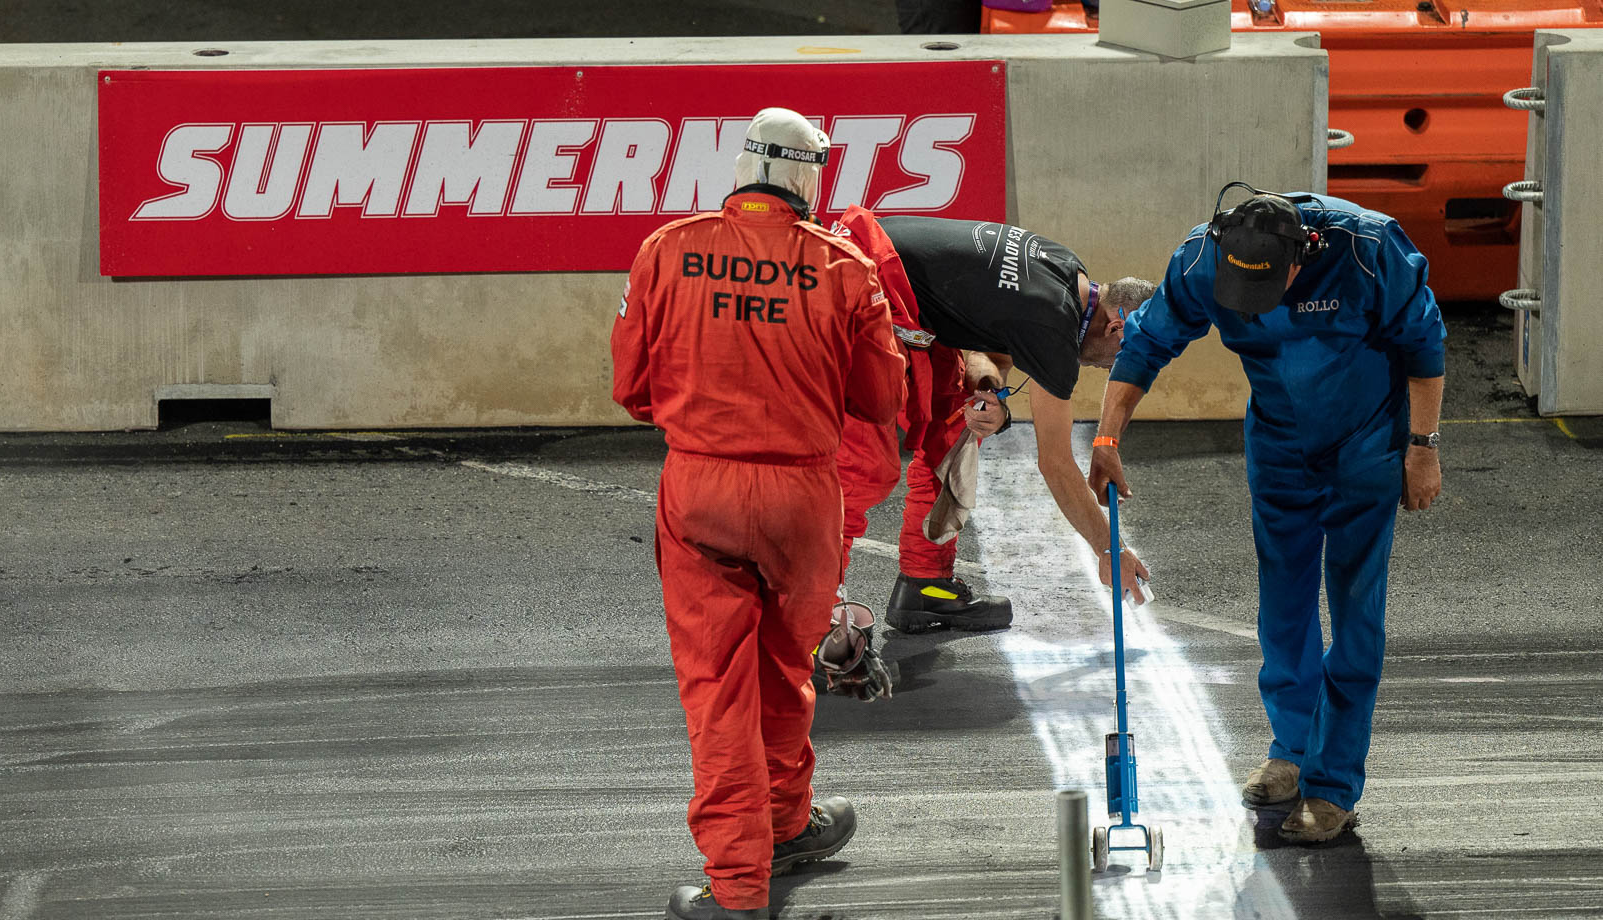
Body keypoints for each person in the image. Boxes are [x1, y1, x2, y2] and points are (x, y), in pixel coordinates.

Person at [610, 107, 906, 920]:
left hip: (701, 489)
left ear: (743, 169)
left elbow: (632, 391)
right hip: (802, 500)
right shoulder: (845, 267)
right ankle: (785, 821)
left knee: (717, 691)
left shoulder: (666, 249)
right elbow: (883, 401)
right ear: (810, 179)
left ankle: (738, 887)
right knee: (785, 673)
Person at [1088, 185, 1445, 843]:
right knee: (1281, 605)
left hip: (1367, 444)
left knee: (1355, 608)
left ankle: (1333, 785)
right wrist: (1107, 438)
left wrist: (1422, 449)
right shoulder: (1202, 259)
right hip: (1278, 442)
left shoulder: (1369, 248)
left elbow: (1425, 344)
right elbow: (1145, 345)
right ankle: (1292, 749)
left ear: (1302, 258)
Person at [826, 209, 1159, 636]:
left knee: (955, 425)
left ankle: (926, 582)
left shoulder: (1066, 272)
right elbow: (1055, 463)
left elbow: (989, 347)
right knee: (861, 465)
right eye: (1127, 361)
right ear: (1118, 328)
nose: (1113, 372)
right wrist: (1109, 549)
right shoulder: (1053, 324)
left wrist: (988, 387)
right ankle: (811, 611)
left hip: (885, 283)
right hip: (856, 281)